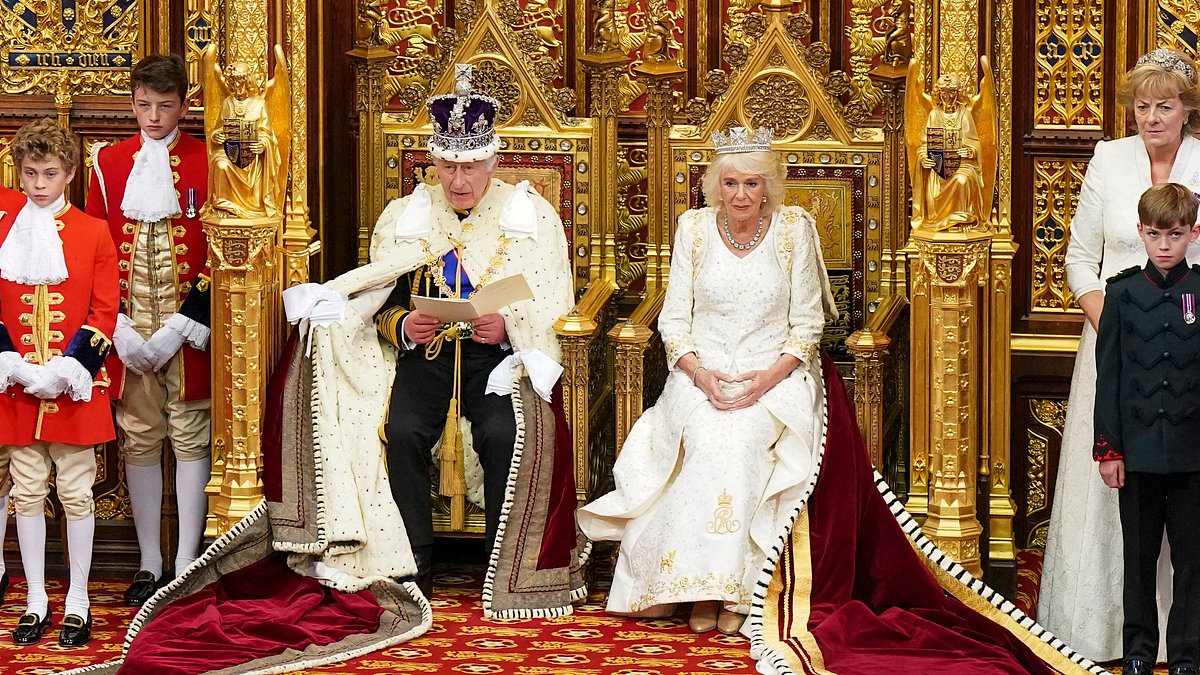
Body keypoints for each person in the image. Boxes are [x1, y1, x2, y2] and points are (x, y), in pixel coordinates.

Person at [578, 125, 836, 634]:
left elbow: (807, 325)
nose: (741, 195)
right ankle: (689, 588)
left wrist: (764, 382)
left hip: (774, 376)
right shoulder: (693, 230)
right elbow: (674, 322)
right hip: (701, 376)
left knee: (741, 444)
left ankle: (734, 592)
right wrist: (701, 375)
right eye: (732, 183)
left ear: (770, 188)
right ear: (716, 185)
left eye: (753, 184)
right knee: (706, 438)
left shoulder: (792, 231)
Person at [370, 64, 577, 601]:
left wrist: (509, 327)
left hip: (499, 359)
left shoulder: (528, 214)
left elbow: (552, 298)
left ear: (492, 162)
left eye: (470, 167)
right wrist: (405, 326)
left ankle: (500, 560)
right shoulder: (405, 216)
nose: (458, 181)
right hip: (426, 355)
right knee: (405, 430)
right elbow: (375, 303)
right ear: (434, 161)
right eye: (448, 166)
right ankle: (413, 561)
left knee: (503, 434)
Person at [1039, 47, 1200, 663]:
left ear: (1185, 109)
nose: (1151, 118)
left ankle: (1182, 639)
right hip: (1114, 345)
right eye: (1142, 107)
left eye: (1164, 106)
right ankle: (1113, 635)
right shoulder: (1110, 158)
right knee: (1120, 489)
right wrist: (1118, 321)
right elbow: (1080, 257)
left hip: (1186, 350)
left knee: (1186, 505)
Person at [86, 54, 212, 607]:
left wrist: (186, 323)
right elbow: (95, 247)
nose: (153, 117)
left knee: (190, 433)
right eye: (143, 106)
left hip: (187, 329)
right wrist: (115, 324)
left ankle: (185, 563)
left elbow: (225, 250)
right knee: (139, 437)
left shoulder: (209, 161)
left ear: (184, 106)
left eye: (165, 106)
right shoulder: (108, 163)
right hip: (128, 330)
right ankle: (149, 561)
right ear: (131, 103)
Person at [0, 118, 119, 647]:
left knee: (76, 496)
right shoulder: (4, 227)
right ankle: (34, 600)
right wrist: (15, 365)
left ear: (69, 173)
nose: (39, 184)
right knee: (25, 495)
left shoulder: (94, 231)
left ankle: (78, 600)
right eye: (30, 174)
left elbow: (105, 310)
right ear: (19, 174)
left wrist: (69, 370)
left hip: (75, 390)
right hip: (18, 387)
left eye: (50, 173)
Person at [1092, 182, 1200, 675]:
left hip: (1192, 455)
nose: (1163, 245)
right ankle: (1137, 653)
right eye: (1155, 234)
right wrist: (1109, 449)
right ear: (1140, 232)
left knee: (1192, 564)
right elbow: (1109, 375)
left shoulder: (1199, 293)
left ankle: (1185, 656)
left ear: (1192, 234)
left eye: (1174, 235)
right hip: (1134, 454)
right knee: (1138, 561)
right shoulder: (1121, 293)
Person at [914, 72, 986, 228]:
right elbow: (924, 145)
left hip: (963, 166)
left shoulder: (964, 115)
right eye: (943, 92)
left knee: (962, 180)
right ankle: (938, 220)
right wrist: (924, 158)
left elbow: (975, 144)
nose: (947, 97)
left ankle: (962, 218)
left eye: (952, 92)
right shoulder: (934, 115)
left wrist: (970, 152)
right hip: (940, 167)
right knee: (935, 190)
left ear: (958, 93)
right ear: (938, 94)